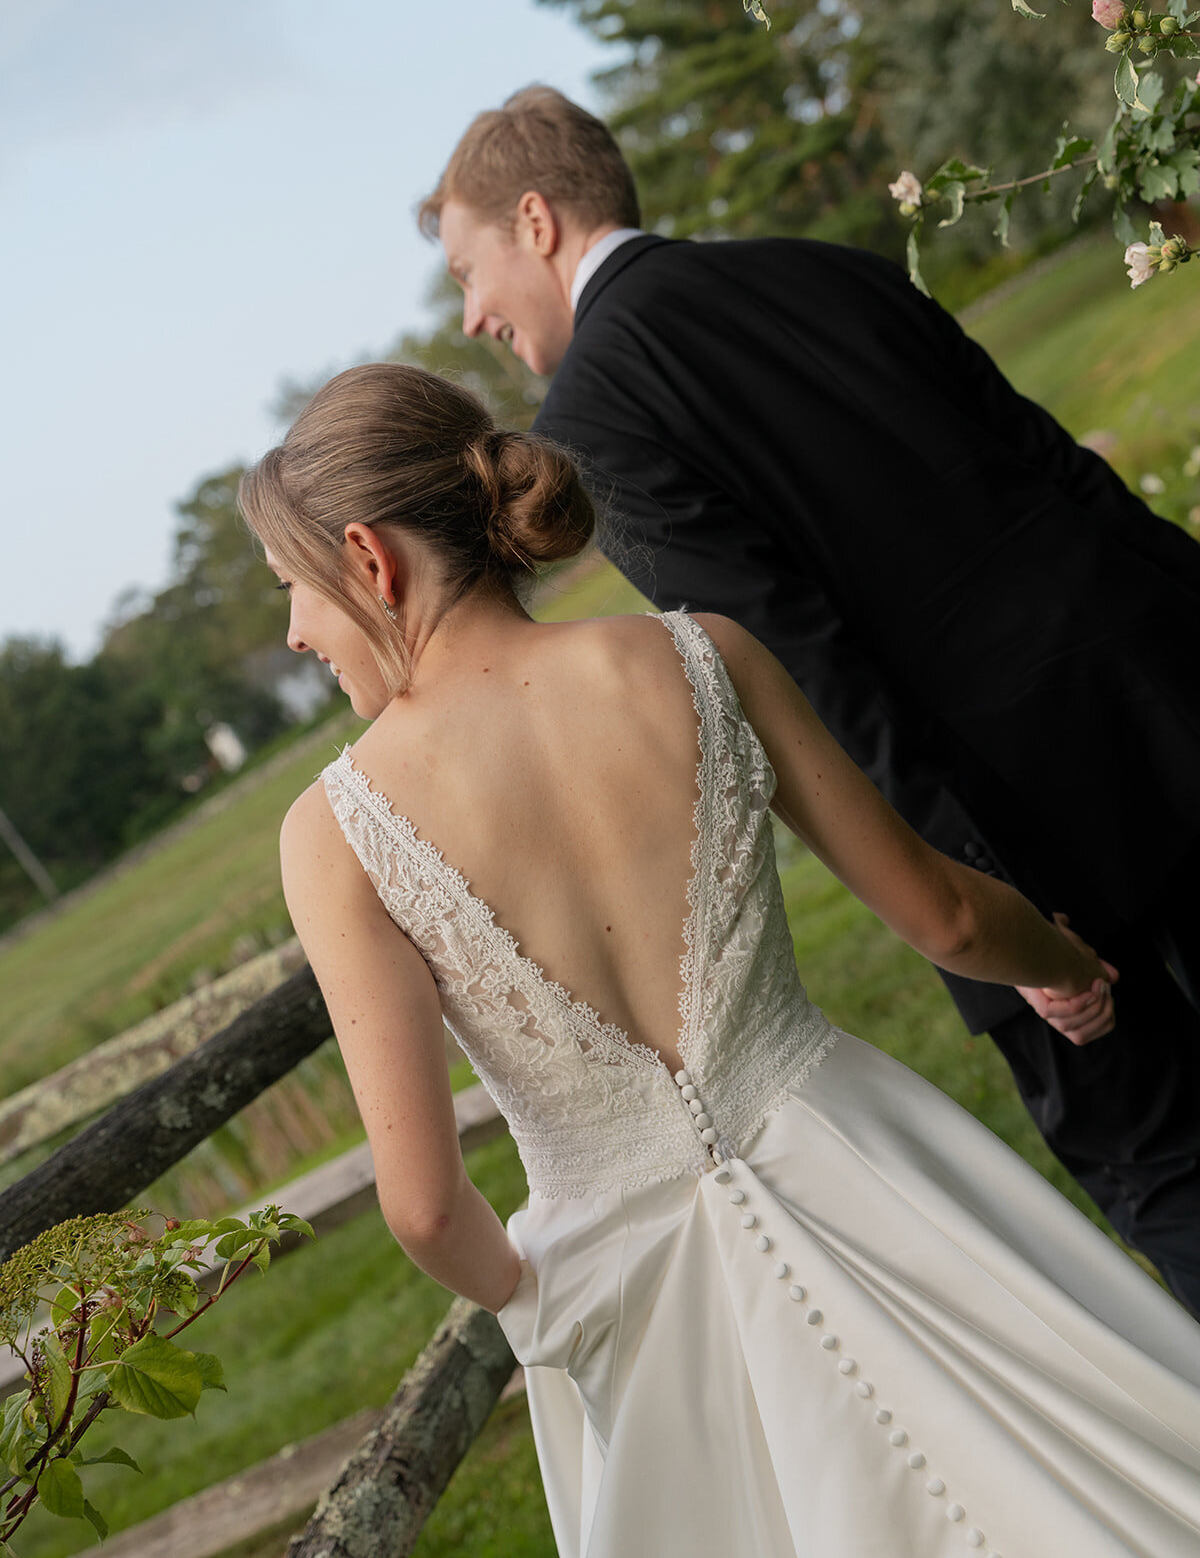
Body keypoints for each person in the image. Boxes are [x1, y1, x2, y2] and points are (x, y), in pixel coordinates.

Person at [241, 361, 1200, 1558]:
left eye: (294, 589)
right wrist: (1064, 961)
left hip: (643, 1313)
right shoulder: (702, 654)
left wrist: (543, 1301)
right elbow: (945, 916)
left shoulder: (336, 833)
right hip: (867, 1171)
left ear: (370, 558)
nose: (295, 630)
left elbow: (428, 1207)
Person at [418, 85, 1200, 1317]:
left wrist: (991, 908)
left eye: (469, 267)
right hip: (1173, 700)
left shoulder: (597, 419)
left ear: (537, 220)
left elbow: (805, 676)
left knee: (1174, 1171)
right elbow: (1053, 471)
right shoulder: (826, 270)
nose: (471, 312)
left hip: (1027, 854)